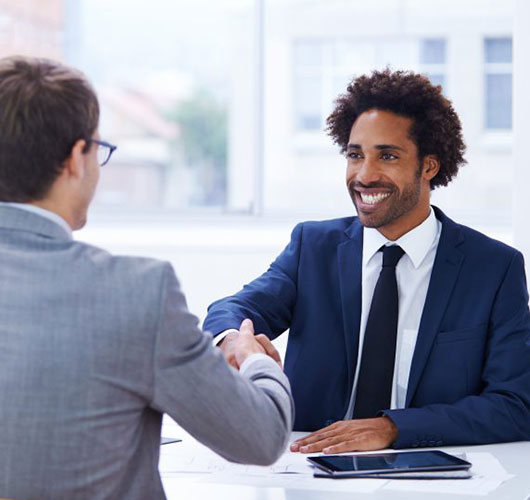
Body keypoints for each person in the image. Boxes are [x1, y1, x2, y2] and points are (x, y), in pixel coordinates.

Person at [0, 56, 293, 500]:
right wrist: (256, 361)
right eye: (99, 150)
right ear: (78, 158)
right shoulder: (136, 294)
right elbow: (260, 437)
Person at [204, 69, 530, 454]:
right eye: (355, 155)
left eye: (387, 156)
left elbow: (516, 406)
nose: (364, 175)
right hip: (310, 469)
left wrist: (393, 428)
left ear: (429, 166)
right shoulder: (314, 247)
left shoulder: (493, 268)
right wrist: (231, 340)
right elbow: (233, 309)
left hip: (429, 477)